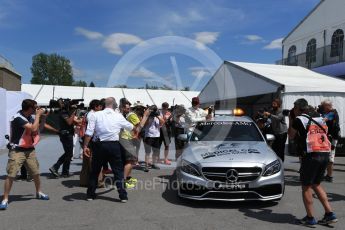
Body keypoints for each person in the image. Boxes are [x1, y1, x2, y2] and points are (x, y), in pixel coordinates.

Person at [288, 98, 337, 227]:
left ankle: (310, 218)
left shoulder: (300, 119)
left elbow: (291, 136)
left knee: (306, 187)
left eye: (294, 108)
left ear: (298, 108)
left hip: (311, 156)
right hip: (325, 153)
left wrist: (291, 119)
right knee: (316, 183)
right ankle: (329, 214)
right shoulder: (320, 117)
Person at [0, 99, 49, 210]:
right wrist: (37, 116)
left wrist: (44, 118)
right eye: (35, 107)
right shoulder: (17, 118)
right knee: (11, 175)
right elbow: (33, 128)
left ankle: (39, 192)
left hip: (30, 149)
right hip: (17, 150)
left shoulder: (30, 117)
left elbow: (37, 130)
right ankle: (5, 199)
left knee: (35, 173)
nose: (37, 109)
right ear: (30, 108)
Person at [83, 97, 134, 202]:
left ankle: (90, 194)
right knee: (118, 171)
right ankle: (123, 195)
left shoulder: (95, 115)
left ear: (103, 105)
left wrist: (85, 146)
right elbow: (131, 127)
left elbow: (89, 132)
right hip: (114, 145)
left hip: (99, 145)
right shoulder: (118, 116)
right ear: (114, 105)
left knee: (95, 171)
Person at [119, 99, 150, 188]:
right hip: (126, 139)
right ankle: (123, 181)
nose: (140, 109)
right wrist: (145, 116)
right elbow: (139, 128)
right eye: (139, 108)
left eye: (142, 108)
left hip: (125, 138)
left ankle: (127, 178)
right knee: (131, 161)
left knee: (127, 161)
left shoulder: (126, 114)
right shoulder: (132, 115)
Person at [49, 99, 81, 178]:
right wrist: (73, 112)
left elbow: (73, 122)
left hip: (67, 134)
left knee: (68, 154)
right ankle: (57, 168)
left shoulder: (66, 112)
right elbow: (69, 122)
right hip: (66, 135)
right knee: (68, 154)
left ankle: (63, 171)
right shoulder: (63, 112)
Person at [79, 99, 103, 187]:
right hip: (91, 140)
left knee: (86, 162)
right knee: (95, 161)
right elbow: (91, 130)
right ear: (96, 107)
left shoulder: (87, 113)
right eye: (100, 106)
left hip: (84, 139)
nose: (101, 108)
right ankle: (98, 182)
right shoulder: (93, 115)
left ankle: (84, 181)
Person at [317, 100, 340, 182]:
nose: (322, 107)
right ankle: (323, 174)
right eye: (322, 105)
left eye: (324, 105)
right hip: (324, 137)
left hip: (332, 138)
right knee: (322, 156)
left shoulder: (333, 112)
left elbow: (324, 120)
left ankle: (329, 176)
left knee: (330, 157)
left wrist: (317, 115)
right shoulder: (324, 112)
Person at [143, 105, 165, 170]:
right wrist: (149, 117)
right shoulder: (147, 114)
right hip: (149, 135)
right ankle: (146, 165)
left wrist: (157, 116)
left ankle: (153, 164)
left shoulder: (158, 114)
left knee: (155, 151)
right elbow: (144, 124)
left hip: (157, 135)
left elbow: (163, 122)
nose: (154, 111)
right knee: (148, 152)